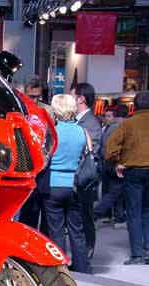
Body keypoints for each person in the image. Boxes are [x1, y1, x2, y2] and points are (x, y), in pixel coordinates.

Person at [44, 94, 91, 273]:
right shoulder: (82, 131)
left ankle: (60, 269)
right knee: (76, 230)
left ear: (56, 110)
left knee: (56, 230)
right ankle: (82, 268)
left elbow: (44, 158)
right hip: (75, 184)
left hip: (53, 185)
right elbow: (87, 155)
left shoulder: (52, 132)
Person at [105, 91, 149, 265]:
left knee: (134, 212)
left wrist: (119, 161)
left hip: (134, 171)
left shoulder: (127, 124)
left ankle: (137, 254)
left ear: (134, 106)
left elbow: (110, 148)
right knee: (147, 211)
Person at [71, 83, 102, 258]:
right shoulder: (78, 120)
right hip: (76, 178)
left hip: (84, 178)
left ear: (81, 99)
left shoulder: (90, 122)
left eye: (72, 96)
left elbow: (91, 152)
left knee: (85, 215)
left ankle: (87, 251)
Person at [19, 76, 51, 235]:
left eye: (38, 96)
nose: (35, 100)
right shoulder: (18, 108)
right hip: (23, 167)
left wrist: (46, 156)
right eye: (31, 96)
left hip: (42, 168)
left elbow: (51, 138)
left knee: (41, 213)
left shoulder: (47, 111)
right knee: (25, 213)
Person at [94, 105, 128, 224]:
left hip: (108, 163)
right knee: (115, 192)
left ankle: (117, 215)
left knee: (114, 191)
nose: (106, 118)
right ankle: (97, 212)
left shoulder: (110, 128)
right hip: (116, 164)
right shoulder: (120, 127)